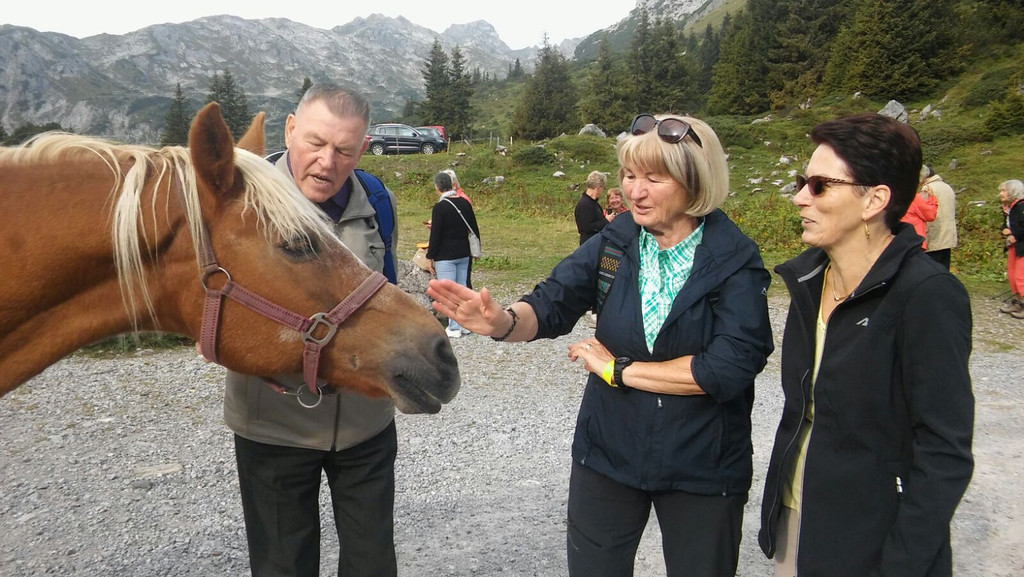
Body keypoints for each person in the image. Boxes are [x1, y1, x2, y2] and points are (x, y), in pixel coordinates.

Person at [428, 113, 774, 577]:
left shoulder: (735, 259)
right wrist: (502, 321)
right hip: (607, 454)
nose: (635, 191)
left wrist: (618, 371)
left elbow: (729, 367)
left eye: (655, 177)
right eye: (630, 175)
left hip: (703, 465)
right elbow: (552, 302)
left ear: (695, 182)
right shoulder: (616, 240)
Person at [759, 113, 974, 577]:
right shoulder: (807, 281)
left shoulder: (926, 295)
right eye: (802, 182)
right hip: (800, 519)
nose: (799, 198)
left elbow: (944, 451)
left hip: (875, 540)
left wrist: (902, 563)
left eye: (819, 186)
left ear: (875, 199)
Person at [222, 84, 401, 577]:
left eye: (344, 150)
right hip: (273, 425)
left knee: (372, 563)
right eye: (315, 144)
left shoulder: (377, 203)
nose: (327, 162)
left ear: (362, 149)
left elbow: (382, 293)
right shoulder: (243, 200)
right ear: (290, 129)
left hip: (366, 422)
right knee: (284, 565)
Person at [426, 170, 480, 339]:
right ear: (452, 185)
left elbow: (436, 235)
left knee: (448, 293)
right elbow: (474, 228)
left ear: (437, 187)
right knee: (462, 290)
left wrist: (430, 256)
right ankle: (464, 325)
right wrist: (476, 250)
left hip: (445, 255)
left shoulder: (440, 207)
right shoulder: (465, 203)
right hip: (463, 252)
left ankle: (454, 327)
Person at [922, 165, 958, 269]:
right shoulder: (946, 186)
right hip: (948, 234)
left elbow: (923, 211)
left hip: (934, 233)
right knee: (944, 267)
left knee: (931, 268)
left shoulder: (928, 189)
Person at [997, 179, 1024, 318]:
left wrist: (1015, 235)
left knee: (1021, 276)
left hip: (1021, 246)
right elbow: (1005, 226)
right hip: (1014, 246)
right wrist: (1006, 231)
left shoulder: (1021, 206)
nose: (1001, 194)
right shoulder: (1008, 208)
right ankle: (1018, 302)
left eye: (1003, 190)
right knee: (1012, 275)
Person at [900, 177, 937, 249]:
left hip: (899, 238)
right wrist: (932, 199)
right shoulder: (913, 197)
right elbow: (930, 215)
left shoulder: (892, 195)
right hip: (915, 239)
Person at [574, 170, 608, 245]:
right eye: (603, 188)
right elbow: (587, 227)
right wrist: (606, 221)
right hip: (589, 244)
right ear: (598, 188)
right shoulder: (584, 204)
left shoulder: (593, 203)